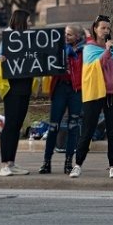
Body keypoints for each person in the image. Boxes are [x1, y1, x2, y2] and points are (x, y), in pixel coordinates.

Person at [71, 15, 113, 179]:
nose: (106, 31)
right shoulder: (89, 49)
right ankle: (78, 164)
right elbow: (94, 68)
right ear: (95, 28)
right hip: (95, 94)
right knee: (87, 130)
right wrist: (107, 51)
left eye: (108, 28)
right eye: (103, 28)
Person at [0, 9, 37, 176]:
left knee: (18, 125)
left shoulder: (30, 39)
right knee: (10, 125)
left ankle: (11, 163)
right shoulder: (8, 38)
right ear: (22, 21)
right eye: (29, 20)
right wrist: (1, 59)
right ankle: (4, 164)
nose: (32, 23)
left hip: (25, 86)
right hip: (12, 88)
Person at [39, 24, 84, 175]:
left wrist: (87, 35)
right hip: (60, 88)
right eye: (65, 34)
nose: (66, 37)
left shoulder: (84, 50)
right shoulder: (57, 49)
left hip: (75, 90)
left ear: (77, 37)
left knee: (73, 126)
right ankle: (46, 162)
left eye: (70, 34)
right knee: (53, 126)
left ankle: (68, 162)